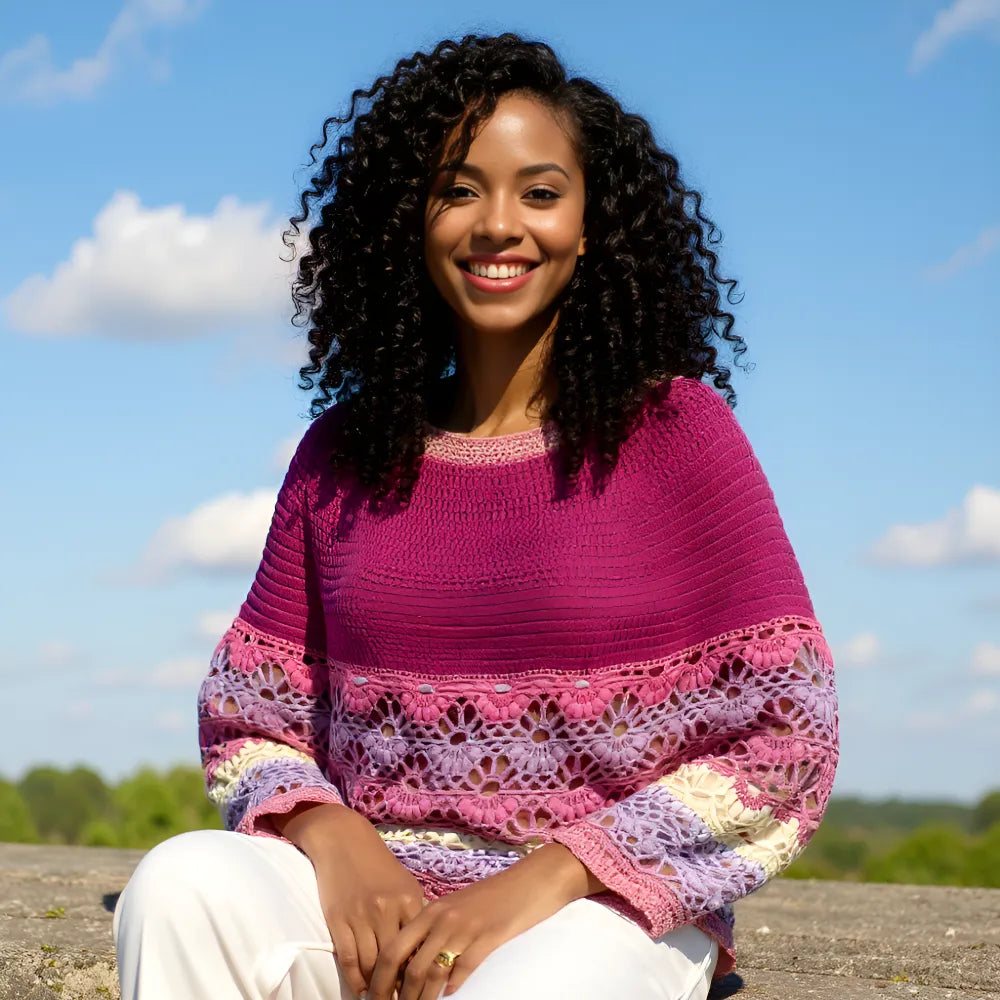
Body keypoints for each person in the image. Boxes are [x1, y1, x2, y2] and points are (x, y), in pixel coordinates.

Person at [112, 32, 839, 1000]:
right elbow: (252, 721)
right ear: (405, 222)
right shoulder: (342, 452)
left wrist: (546, 875)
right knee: (181, 883)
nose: (499, 224)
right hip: (374, 911)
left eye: (540, 192)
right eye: (458, 190)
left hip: (599, 916)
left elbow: (784, 738)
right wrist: (331, 836)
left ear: (590, 226)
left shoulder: (678, 433)